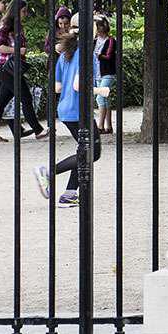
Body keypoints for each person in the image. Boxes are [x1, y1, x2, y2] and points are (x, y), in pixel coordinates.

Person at [32, 21, 104, 208]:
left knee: (84, 151)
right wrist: (100, 90)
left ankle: (69, 195)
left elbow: (57, 87)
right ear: (93, 34)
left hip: (65, 109)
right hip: (78, 111)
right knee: (92, 153)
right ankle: (48, 171)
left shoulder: (66, 54)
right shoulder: (86, 54)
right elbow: (78, 85)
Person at [0, 0, 47, 141]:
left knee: (1, 101)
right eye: (23, 11)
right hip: (7, 69)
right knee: (25, 97)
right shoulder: (6, 25)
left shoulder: (17, 25)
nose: (25, 14)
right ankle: (38, 130)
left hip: (11, 69)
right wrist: (17, 50)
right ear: (16, 11)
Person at [93, 16, 119, 135]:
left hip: (108, 73)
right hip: (97, 73)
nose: (99, 28)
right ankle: (109, 127)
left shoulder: (111, 40)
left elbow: (108, 56)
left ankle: (100, 126)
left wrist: (98, 56)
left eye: (101, 25)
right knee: (105, 99)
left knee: (100, 97)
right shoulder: (94, 41)